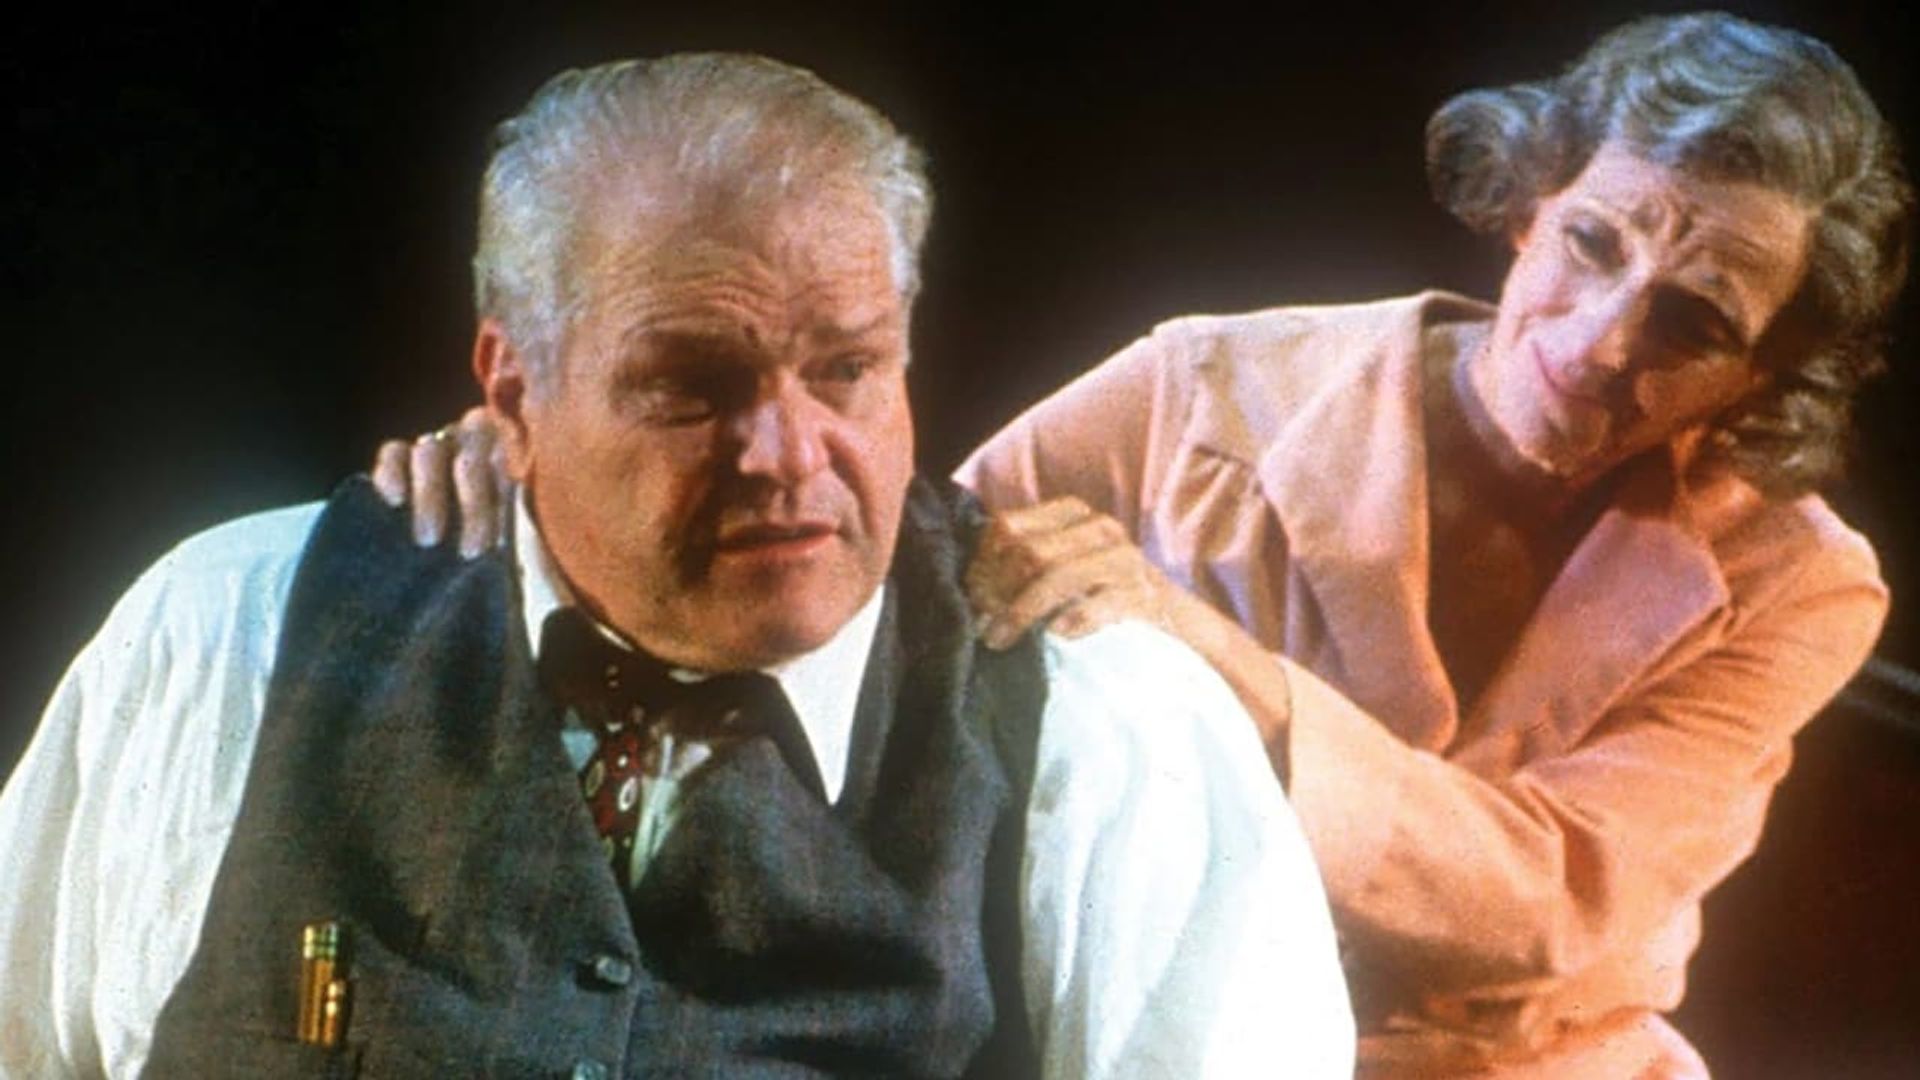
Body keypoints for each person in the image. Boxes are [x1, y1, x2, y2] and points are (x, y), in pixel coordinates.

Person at [381, 11, 1911, 1078]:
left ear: (1766, 374)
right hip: (1161, 1027)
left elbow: (1558, 903)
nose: (1598, 340)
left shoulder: (1800, 581)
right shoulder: (1204, 384)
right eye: (1590, 244)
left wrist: (1218, 660)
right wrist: (555, 459)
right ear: (1526, 206)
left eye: (1692, 322)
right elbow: (872, 570)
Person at [0, 54, 1356, 1078]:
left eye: (847, 369)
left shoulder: (1108, 732)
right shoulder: (230, 633)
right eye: (690, 387)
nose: (788, 454)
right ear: (512, 394)